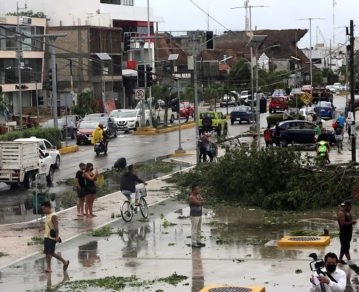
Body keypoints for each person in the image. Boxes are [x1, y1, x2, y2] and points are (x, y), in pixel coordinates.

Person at [40, 201, 69, 273]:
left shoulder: (54, 216)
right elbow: (48, 225)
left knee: (51, 253)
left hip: (52, 237)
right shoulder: (47, 215)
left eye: (44, 209)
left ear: (48, 207)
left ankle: (64, 261)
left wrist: (57, 236)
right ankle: (49, 268)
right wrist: (42, 228)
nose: (43, 211)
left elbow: (56, 227)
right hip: (46, 236)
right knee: (47, 252)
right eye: (42, 209)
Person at [337, 200, 356, 264]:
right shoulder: (341, 213)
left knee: (344, 246)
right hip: (344, 233)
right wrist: (351, 222)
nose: (351, 208)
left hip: (348, 232)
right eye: (350, 207)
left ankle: (340, 259)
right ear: (346, 206)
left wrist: (351, 222)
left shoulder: (348, 212)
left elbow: (348, 221)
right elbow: (342, 223)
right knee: (346, 247)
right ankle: (349, 261)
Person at [189, 184, 205, 248]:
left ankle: (198, 241)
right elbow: (199, 203)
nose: (199, 190)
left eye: (199, 189)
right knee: (194, 229)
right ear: (193, 190)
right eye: (197, 189)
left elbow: (203, 201)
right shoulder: (191, 197)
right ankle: (194, 243)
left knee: (199, 229)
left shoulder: (198, 195)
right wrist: (200, 201)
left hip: (199, 214)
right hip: (194, 215)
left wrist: (201, 200)